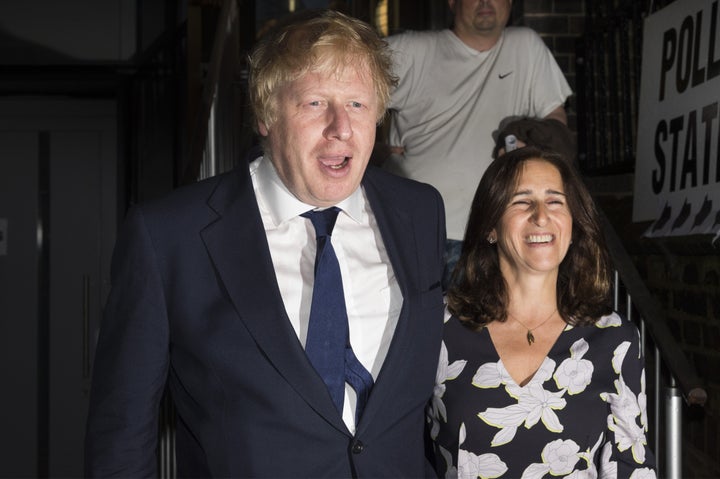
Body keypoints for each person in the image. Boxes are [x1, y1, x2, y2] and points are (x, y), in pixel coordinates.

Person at [84, 9, 447, 477]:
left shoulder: (419, 212)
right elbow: (121, 433)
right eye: (315, 103)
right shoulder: (170, 236)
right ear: (266, 115)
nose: (341, 127)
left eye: (357, 104)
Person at [428, 147, 657, 478]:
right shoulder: (440, 326)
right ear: (490, 226)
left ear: (572, 223)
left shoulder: (614, 338)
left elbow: (632, 466)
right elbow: (400, 447)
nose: (541, 215)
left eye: (555, 201)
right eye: (522, 201)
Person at [383, 0, 572, 286]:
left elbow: (556, 120)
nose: (485, 2)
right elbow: (347, 91)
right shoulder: (412, 49)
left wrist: (536, 145)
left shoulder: (526, 48)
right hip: (411, 232)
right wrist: (375, 146)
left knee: (480, 328)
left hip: (493, 235)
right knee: (411, 328)